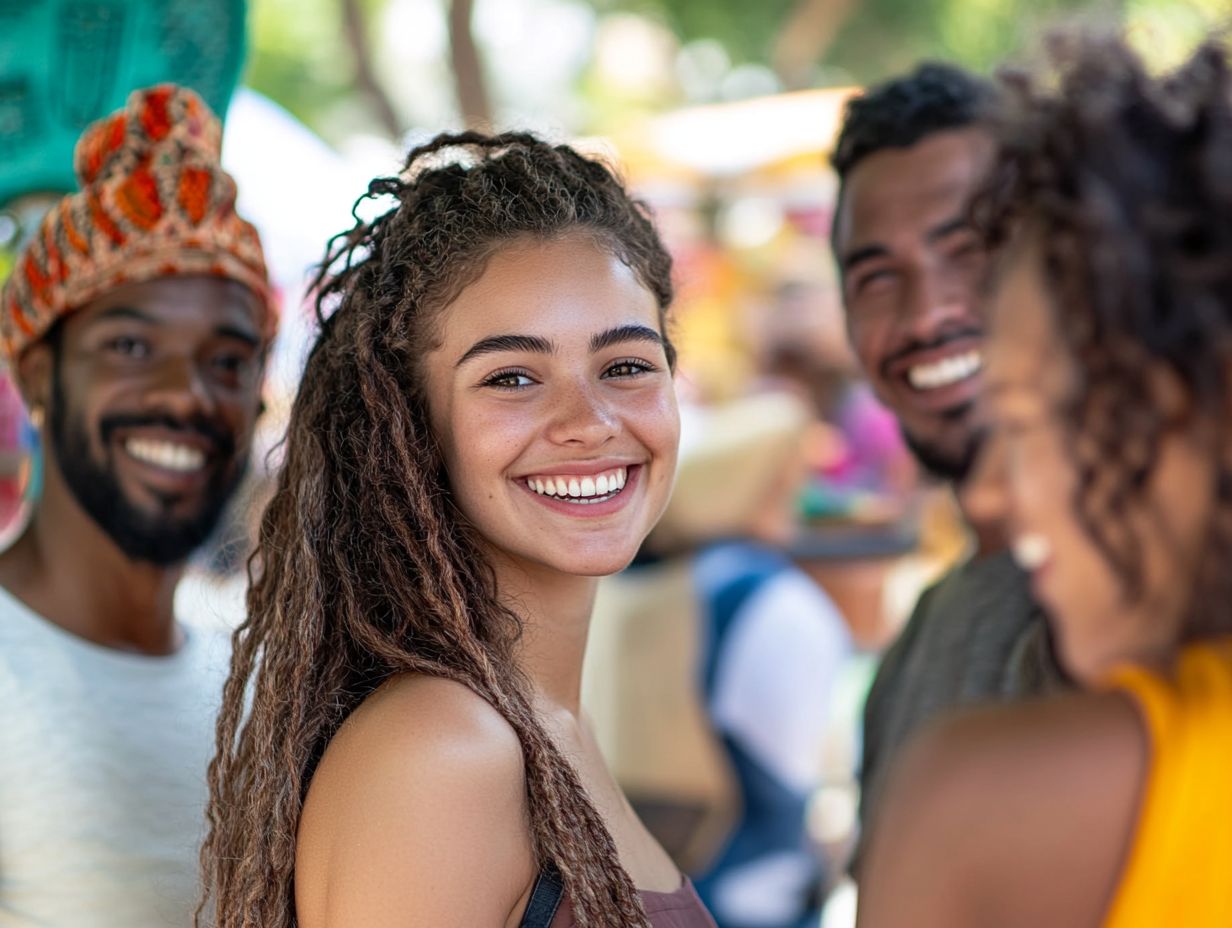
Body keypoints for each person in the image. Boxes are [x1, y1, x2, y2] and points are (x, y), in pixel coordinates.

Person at [200, 131, 716, 928]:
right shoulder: (444, 749)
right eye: (512, 377)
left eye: (625, 365)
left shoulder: (538, 725)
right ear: (409, 427)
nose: (589, 421)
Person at [859, 35, 1232, 927]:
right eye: (874, 276)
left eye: (1025, 420)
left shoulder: (986, 799)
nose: (990, 492)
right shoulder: (923, 650)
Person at [0, 84, 274, 927]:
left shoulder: (261, 679)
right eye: (130, 345)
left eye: (226, 361)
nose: (184, 396)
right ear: (39, 373)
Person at [828, 61, 1065, 867]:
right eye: (878, 276)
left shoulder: (1174, 603)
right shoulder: (913, 650)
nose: (929, 313)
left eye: (968, 251)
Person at [585, 391, 852, 928]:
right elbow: (795, 769)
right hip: (748, 895)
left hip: (635, 886)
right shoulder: (771, 598)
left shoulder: (618, 580)